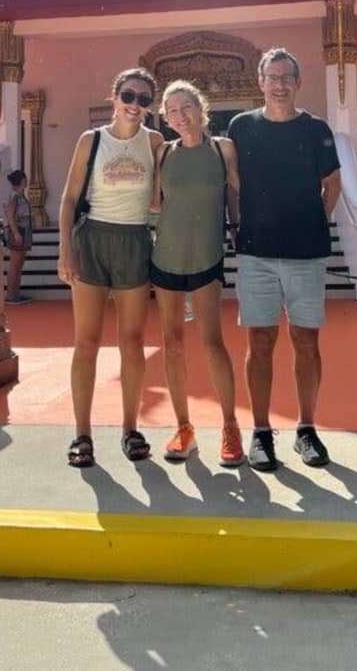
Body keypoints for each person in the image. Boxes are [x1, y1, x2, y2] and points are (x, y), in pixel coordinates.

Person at [229, 47, 341, 471]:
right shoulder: (242, 126)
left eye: (286, 77)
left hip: (306, 253)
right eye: (271, 77)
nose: (279, 84)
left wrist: (315, 220)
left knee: (306, 342)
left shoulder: (315, 129)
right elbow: (232, 176)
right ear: (260, 82)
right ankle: (260, 432)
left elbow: (332, 182)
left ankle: (306, 429)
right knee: (259, 343)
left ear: (298, 81)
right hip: (257, 253)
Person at [57, 68, 164, 468]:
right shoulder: (92, 140)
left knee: (132, 342)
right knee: (86, 341)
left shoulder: (154, 142)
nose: (135, 105)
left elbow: (160, 200)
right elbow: (68, 200)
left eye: (143, 99)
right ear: (114, 96)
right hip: (92, 241)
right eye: (129, 95)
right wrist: (64, 249)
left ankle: (130, 428)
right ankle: (82, 433)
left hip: (134, 241)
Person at [150, 80, 244, 467]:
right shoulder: (162, 153)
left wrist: (241, 231)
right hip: (166, 257)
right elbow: (154, 203)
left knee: (212, 344)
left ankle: (230, 425)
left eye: (185, 106)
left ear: (201, 107)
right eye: (171, 110)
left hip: (207, 257)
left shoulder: (222, 149)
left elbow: (237, 195)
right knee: (171, 345)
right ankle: (183, 427)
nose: (179, 116)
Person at [4, 169, 33, 306]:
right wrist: (15, 233)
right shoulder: (14, 196)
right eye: (25, 179)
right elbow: (10, 215)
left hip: (24, 230)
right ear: (22, 181)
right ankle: (10, 294)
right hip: (18, 230)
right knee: (15, 264)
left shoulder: (20, 196)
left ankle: (15, 292)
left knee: (19, 263)